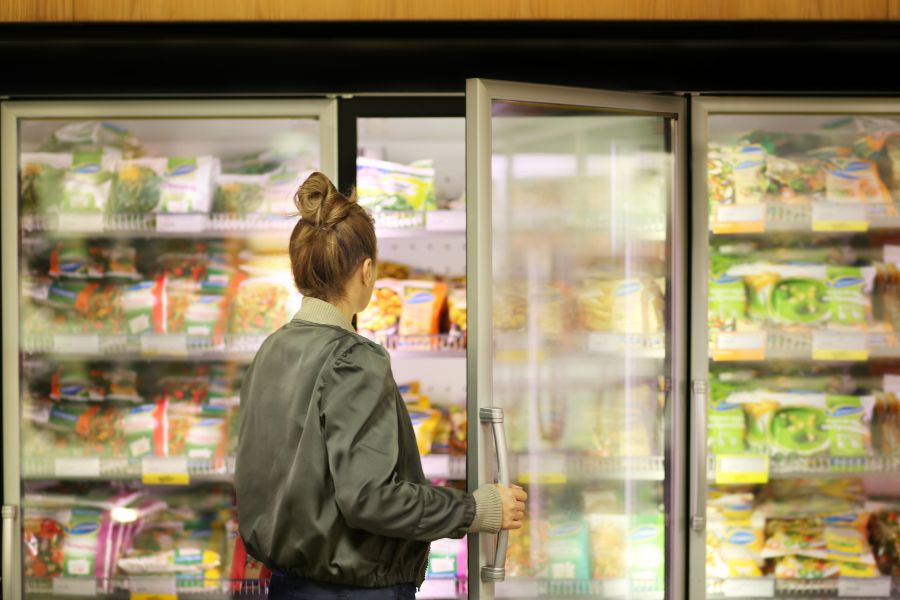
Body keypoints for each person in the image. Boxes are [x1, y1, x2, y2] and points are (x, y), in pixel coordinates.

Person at [235, 172, 527, 600]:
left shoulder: (271, 350)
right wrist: (475, 509)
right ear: (367, 271)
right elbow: (371, 498)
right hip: (353, 592)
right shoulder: (353, 359)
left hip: (286, 586)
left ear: (299, 272)